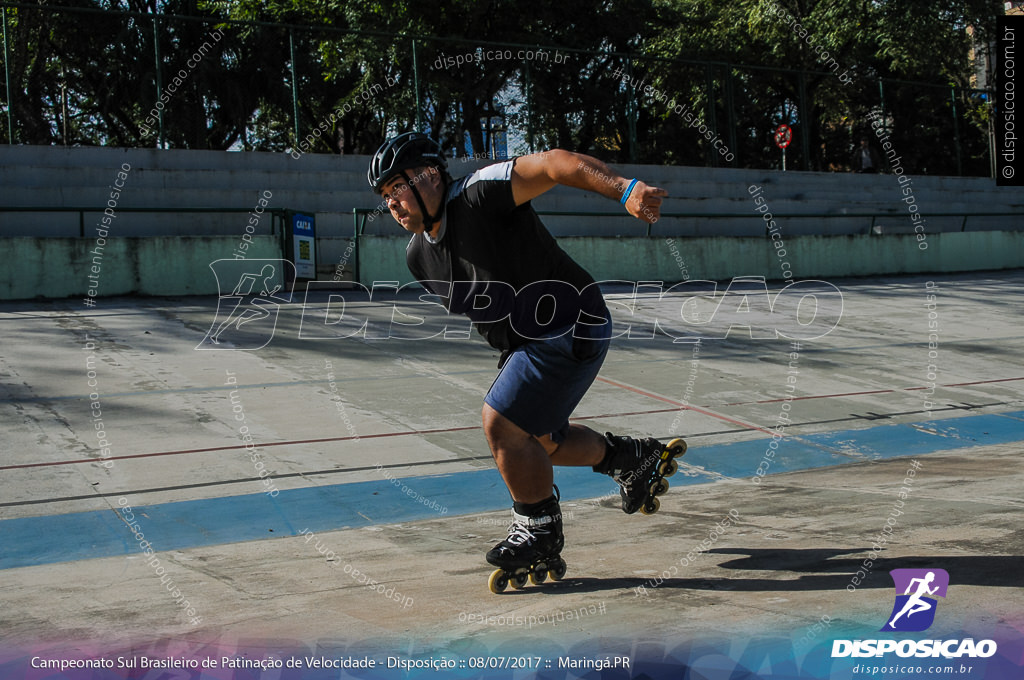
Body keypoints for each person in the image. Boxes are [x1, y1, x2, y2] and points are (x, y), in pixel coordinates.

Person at [367, 133, 686, 591]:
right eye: (384, 195)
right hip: (525, 344)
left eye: (398, 186)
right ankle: (631, 458)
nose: (392, 202)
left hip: (571, 320)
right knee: (537, 443)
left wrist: (624, 188)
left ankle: (538, 530)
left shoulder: (479, 194)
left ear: (431, 175)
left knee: (501, 423)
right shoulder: (419, 256)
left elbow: (556, 163)